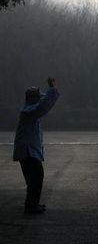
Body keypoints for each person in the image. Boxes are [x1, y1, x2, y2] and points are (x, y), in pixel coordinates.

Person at [13, 78, 60, 215]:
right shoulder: (28, 111)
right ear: (32, 98)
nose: (40, 98)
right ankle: (30, 205)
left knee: (35, 178)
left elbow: (44, 102)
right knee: (35, 177)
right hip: (28, 151)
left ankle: (33, 203)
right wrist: (51, 88)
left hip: (29, 150)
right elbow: (44, 105)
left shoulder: (29, 108)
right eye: (37, 96)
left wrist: (47, 92)